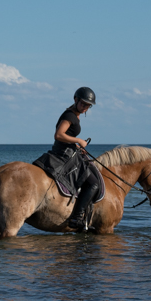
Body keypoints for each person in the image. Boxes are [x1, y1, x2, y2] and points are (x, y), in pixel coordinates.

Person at [51, 86, 100, 229]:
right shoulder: (70, 115)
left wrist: (77, 147)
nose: (85, 107)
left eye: (88, 106)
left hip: (68, 150)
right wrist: (78, 141)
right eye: (83, 104)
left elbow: (67, 137)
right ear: (75, 99)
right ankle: (76, 218)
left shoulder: (74, 114)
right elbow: (59, 135)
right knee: (93, 183)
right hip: (63, 154)